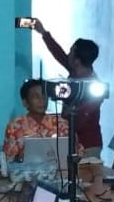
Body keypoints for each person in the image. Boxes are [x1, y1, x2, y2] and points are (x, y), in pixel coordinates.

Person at [32, 19, 104, 157]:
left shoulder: (93, 87)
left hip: (87, 144)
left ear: (77, 60)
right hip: (69, 140)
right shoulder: (75, 71)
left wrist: (59, 125)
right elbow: (59, 54)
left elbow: (81, 119)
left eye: (71, 51)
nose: (68, 54)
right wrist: (43, 32)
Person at [2, 79, 74, 162]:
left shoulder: (62, 124)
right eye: (36, 97)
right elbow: (8, 158)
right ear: (25, 102)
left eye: (44, 96)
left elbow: (77, 151)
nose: (42, 100)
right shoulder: (15, 126)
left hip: (60, 172)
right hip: (27, 173)